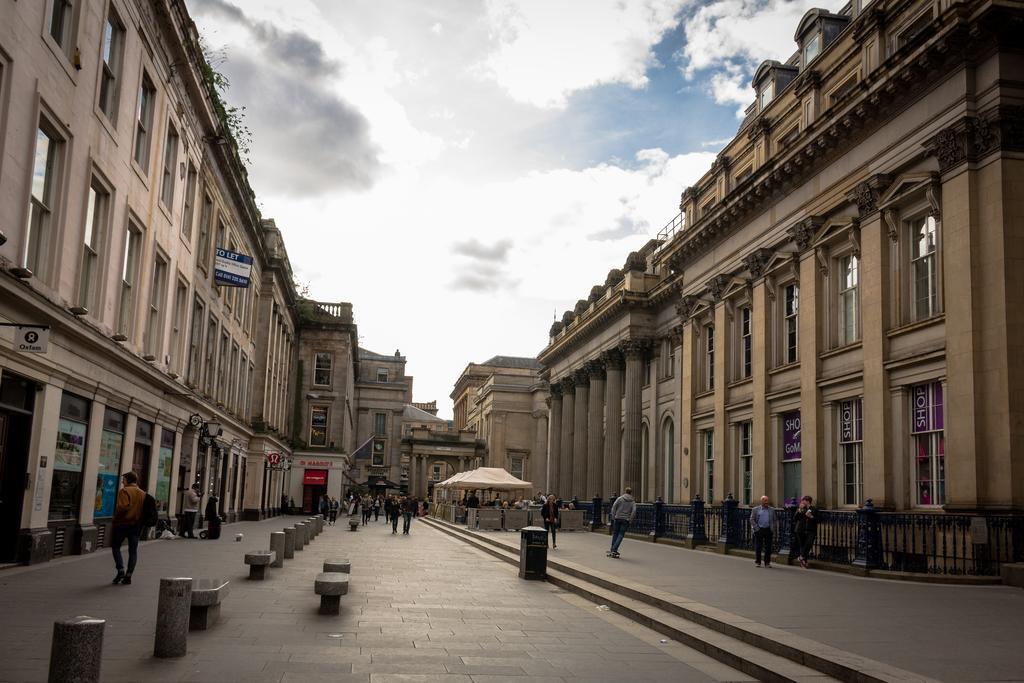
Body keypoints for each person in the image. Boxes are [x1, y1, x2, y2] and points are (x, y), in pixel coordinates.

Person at [111, 471, 146, 585]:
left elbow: (123, 507)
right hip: (136, 525)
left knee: (116, 546)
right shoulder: (142, 493)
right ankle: (129, 575)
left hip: (123, 523)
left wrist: (116, 518)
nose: (122, 482)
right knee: (133, 551)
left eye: (124, 479)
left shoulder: (124, 491)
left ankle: (120, 569)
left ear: (127, 480)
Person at [607, 487, 636, 558]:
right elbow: (634, 511)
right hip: (625, 520)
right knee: (620, 535)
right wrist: (630, 520)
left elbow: (614, 507)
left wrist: (613, 516)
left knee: (615, 533)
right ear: (630, 492)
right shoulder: (632, 501)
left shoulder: (620, 498)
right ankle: (614, 549)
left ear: (625, 491)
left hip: (618, 518)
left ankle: (613, 549)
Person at [749, 495, 776, 567]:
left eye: (767, 500)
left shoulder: (772, 510)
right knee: (758, 546)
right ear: (762, 501)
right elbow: (751, 519)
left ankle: (767, 562)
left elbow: (774, 520)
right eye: (765, 501)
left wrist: (772, 528)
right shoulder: (755, 509)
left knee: (768, 547)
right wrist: (756, 528)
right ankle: (758, 562)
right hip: (759, 529)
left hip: (768, 530)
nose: (767, 502)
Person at [791, 495, 818, 568]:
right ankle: (804, 562)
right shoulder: (801, 508)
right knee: (802, 546)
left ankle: (801, 556)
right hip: (801, 530)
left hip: (811, 530)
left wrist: (811, 516)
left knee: (809, 544)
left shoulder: (814, 509)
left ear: (808, 501)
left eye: (803, 500)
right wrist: (799, 510)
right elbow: (796, 518)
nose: (802, 502)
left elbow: (818, 520)